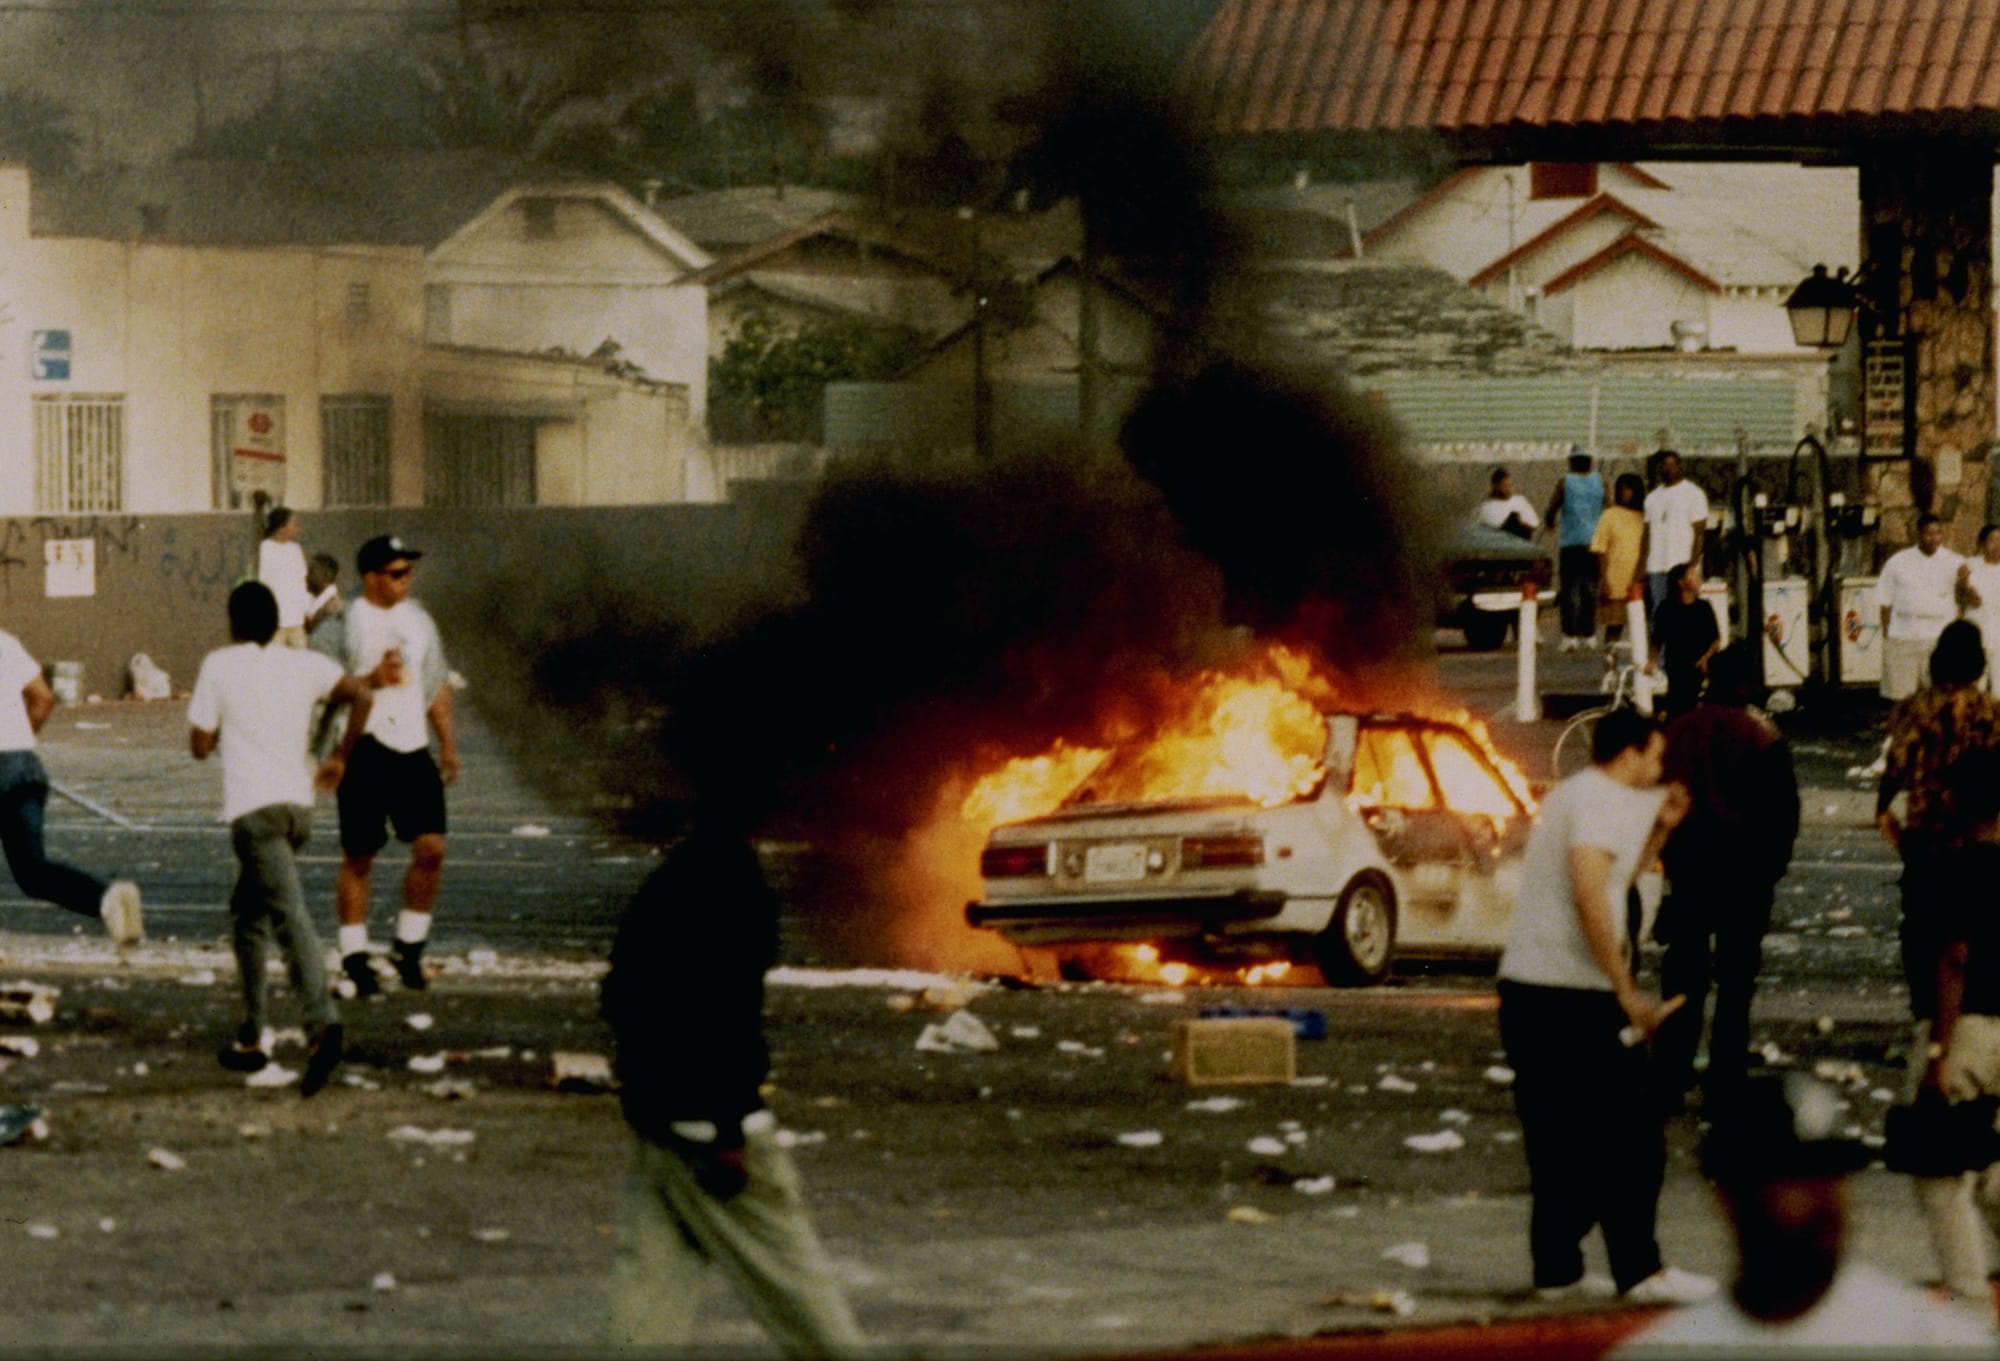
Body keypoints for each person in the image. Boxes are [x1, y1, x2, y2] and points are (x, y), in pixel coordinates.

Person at [603, 813, 865, 1356]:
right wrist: (724, 1129)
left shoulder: (672, 880)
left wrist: (649, 1092)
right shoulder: (730, 883)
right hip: (711, 1135)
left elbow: (620, 994)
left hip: (660, 1126)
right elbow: (724, 1012)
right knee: (800, 1295)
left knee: (648, 1298)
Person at [1496, 707, 1715, 1306]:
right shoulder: (1596, 799)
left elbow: (1620, 878)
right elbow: (1591, 888)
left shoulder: (1579, 797)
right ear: (1629, 754)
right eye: (1656, 756)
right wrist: (1624, 988)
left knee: (1558, 1134)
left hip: (1534, 987)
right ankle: (1639, 1268)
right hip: (1568, 995)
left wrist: (1663, 830)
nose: (1662, 768)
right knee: (1632, 1130)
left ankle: (1557, 1269)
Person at [1612, 1074, 1999, 1356]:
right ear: (1724, 1196)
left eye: (1821, 1176)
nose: (1803, 1201)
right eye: (1779, 1178)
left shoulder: (1931, 1341)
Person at [188, 580, 372, 1096]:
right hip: (298, 809)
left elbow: (199, 745)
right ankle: (252, 1034)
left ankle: (321, 1025)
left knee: (288, 916)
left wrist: (224, 728)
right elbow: (361, 694)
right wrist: (339, 755)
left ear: (234, 622)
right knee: (247, 917)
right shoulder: (306, 663)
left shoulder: (219, 665)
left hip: (254, 813)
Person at [1653, 642, 1801, 1110]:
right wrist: (1772, 866)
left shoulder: (1677, 730)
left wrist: (1666, 860)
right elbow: (1782, 813)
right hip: (1744, 872)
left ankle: (1670, 1072)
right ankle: (1725, 1074)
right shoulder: (1761, 735)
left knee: (1683, 975)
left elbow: (1655, 801)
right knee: (1736, 982)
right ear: (1746, 684)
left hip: (1691, 869)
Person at [334, 535, 460, 996]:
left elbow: (436, 683)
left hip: (412, 747)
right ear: (371, 577)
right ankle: (354, 954)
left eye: (409, 572)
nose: (406, 580)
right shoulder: (344, 622)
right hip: (364, 746)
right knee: (360, 855)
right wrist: (370, 679)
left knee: (432, 847)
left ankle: (409, 946)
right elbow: (324, 683)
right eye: (396, 573)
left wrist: (447, 744)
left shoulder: (420, 621)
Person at [0, 627, 141, 947]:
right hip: (24, 767)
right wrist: (18, 742)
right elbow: (43, 698)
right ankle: (106, 898)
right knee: (34, 871)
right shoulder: (5, 642)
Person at [1880, 513, 1970, 702]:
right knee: (1902, 698)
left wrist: (1965, 582)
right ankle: (1902, 732)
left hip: (1939, 637)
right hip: (1904, 636)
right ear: (1918, 534)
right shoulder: (1897, 562)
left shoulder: (1955, 561)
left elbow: (1969, 599)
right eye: (1928, 534)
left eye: (1938, 533)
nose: (1933, 538)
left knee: (1940, 696)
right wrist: (1888, 636)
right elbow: (1885, 601)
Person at [1546, 448, 1607, 652]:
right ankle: (1588, 634)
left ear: (1571, 461)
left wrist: (1550, 522)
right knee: (1590, 590)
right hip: (1595, 543)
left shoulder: (1565, 482)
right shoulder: (1601, 482)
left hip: (1571, 543)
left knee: (1570, 590)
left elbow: (1551, 508)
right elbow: (1610, 508)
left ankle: (1569, 635)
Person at [1648, 561, 1722, 720]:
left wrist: (1705, 658)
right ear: (1681, 583)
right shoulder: (1666, 608)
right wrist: (1652, 661)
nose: (1697, 578)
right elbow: (1657, 639)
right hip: (1676, 666)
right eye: (1692, 575)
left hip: (1699, 665)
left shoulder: (1703, 607)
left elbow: (1715, 639)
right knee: (1677, 707)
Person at [1641, 451, 1709, 617]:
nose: (1667, 469)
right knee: (1659, 614)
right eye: (1663, 465)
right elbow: (1647, 535)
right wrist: (1643, 565)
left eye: (1671, 465)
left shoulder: (1694, 494)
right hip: (1657, 567)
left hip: (1682, 567)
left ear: (1680, 466)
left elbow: (1699, 533)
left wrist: (1692, 566)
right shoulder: (1651, 498)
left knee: (1686, 613)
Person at [1592, 472, 1647, 643]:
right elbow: (1599, 549)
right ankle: (1610, 667)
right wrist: (1604, 581)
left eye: (1629, 489)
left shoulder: (1645, 517)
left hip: (1639, 583)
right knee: (1614, 630)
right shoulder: (1610, 515)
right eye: (1621, 489)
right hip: (1615, 584)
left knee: (1641, 630)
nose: (1624, 493)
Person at [255, 507, 314, 649]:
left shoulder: (295, 549)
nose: (297, 528)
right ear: (281, 528)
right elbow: (264, 584)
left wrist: (308, 609)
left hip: (296, 621)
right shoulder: (265, 548)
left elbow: (302, 582)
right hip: (276, 623)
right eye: (293, 524)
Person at [1957, 524, 2000, 689]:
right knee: (1975, 687)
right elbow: (1973, 600)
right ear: (1982, 543)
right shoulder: (1970, 565)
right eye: (1993, 540)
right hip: (1976, 634)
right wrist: (1965, 584)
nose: (1997, 545)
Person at [1476, 466, 1541, 539]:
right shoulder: (1486, 507)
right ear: (1497, 487)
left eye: (1510, 485)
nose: (1509, 489)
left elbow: (1534, 525)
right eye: (1505, 486)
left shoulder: (1520, 501)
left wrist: (1521, 523)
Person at [305, 551, 345, 660]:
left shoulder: (335, 608)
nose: (306, 576)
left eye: (311, 571)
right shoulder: (312, 604)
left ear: (326, 575)